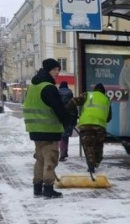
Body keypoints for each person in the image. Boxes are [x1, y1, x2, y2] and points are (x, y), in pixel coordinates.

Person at [23, 58, 75, 199]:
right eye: (56, 70)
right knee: (50, 160)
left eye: (59, 69)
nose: (58, 72)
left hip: (35, 130)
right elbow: (58, 108)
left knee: (40, 159)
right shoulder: (48, 87)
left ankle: (37, 187)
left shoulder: (33, 86)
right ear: (48, 70)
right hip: (48, 130)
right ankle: (48, 188)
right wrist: (68, 122)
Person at [69, 83, 112, 176]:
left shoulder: (87, 95)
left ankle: (91, 166)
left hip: (86, 125)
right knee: (98, 146)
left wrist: (66, 111)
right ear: (103, 92)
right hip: (100, 127)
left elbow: (74, 102)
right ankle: (96, 163)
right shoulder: (106, 99)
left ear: (94, 90)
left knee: (88, 146)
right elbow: (109, 118)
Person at [57, 81, 78, 161]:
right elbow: (74, 106)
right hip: (70, 117)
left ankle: (62, 153)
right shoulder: (70, 93)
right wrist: (75, 118)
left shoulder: (57, 93)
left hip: (60, 116)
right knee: (66, 135)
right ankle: (65, 152)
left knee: (62, 136)